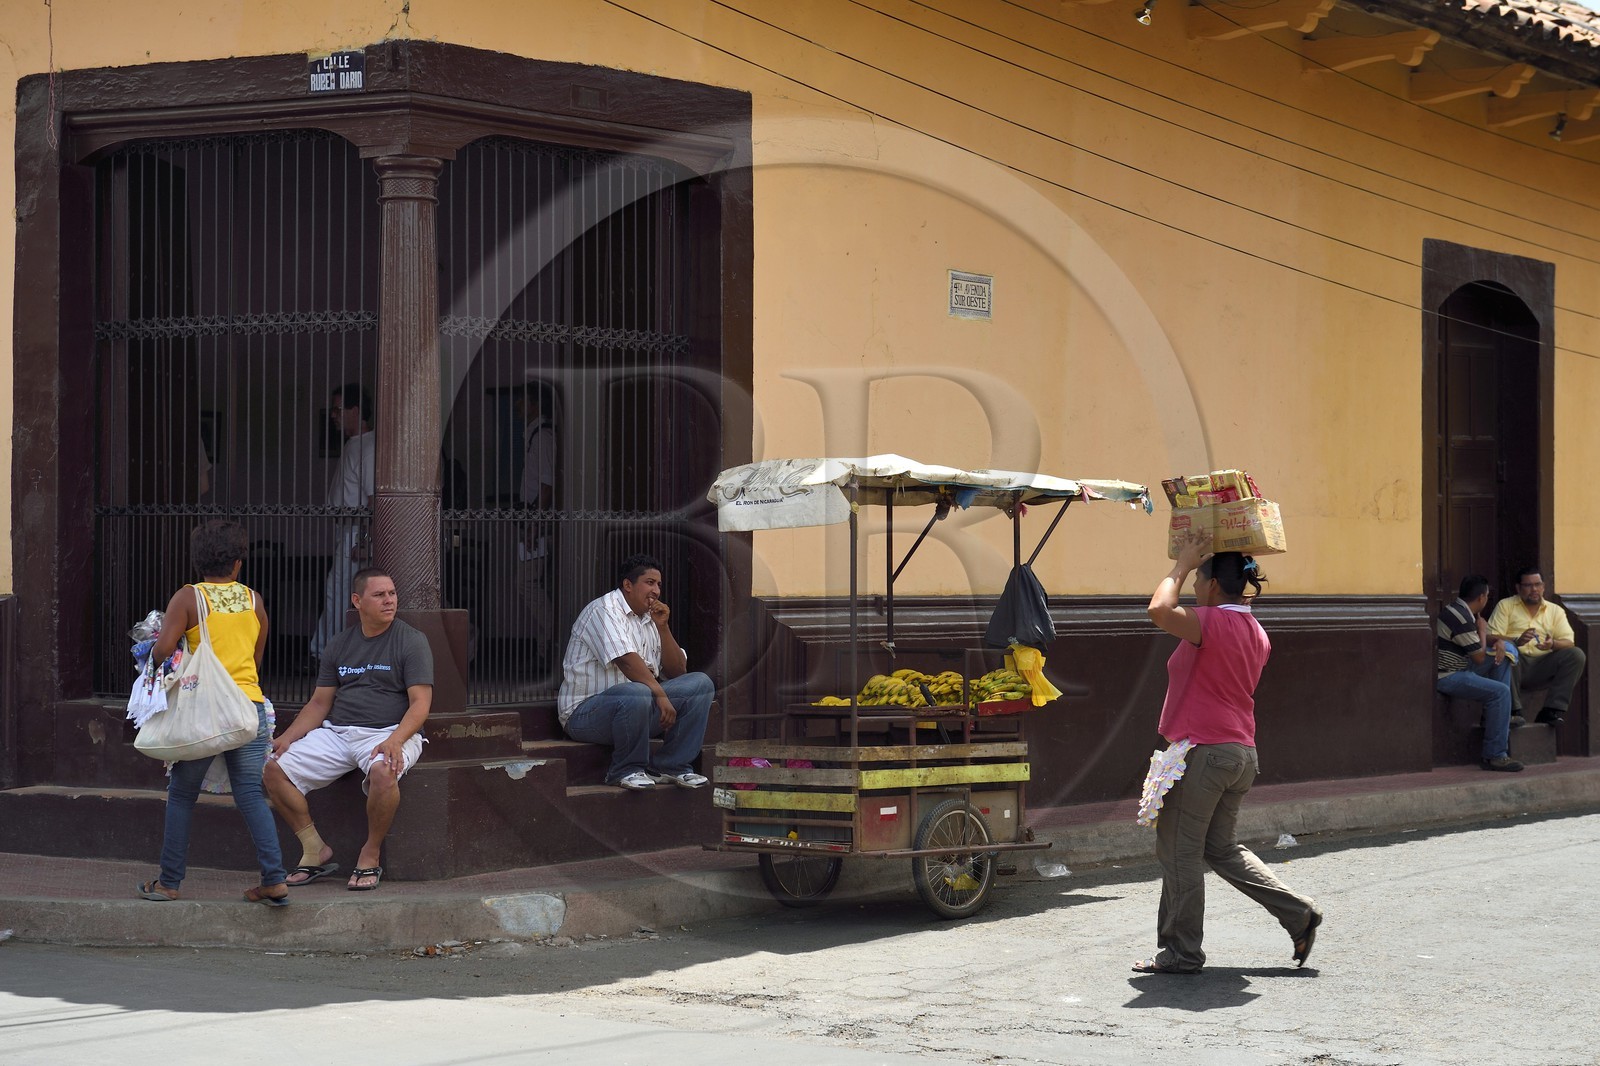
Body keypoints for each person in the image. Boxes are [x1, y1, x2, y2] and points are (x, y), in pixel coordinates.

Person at [1132, 531, 1321, 975]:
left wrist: (1179, 564)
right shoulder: (1254, 630)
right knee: (1220, 848)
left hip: (1206, 753)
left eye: (1198, 579)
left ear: (1214, 584)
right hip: (1239, 753)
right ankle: (1298, 913)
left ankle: (1182, 951)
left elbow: (1159, 608)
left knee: (1180, 851)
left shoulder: (1215, 622)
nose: (1192, 587)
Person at [138, 520, 290, 907]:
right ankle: (274, 879)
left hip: (203, 711)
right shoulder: (254, 600)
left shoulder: (188, 598)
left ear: (196, 560)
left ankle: (169, 882)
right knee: (251, 796)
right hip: (248, 708)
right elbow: (255, 660)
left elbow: (161, 653)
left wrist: (154, 645)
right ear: (238, 563)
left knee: (183, 795)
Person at [266, 567, 433, 891]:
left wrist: (396, 740)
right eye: (379, 595)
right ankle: (314, 849)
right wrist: (287, 738)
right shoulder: (339, 644)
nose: (389, 600)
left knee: (385, 773)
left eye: (392, 593)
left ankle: (370, 854)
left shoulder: (411, 641)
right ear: (357, 601)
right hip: (338, 732)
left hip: (389, 731)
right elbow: (319, 704)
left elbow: (420, 703)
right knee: (273, 769)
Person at [558, 553, 713, 791]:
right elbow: (628, 662)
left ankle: (672, 766)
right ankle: (626, 769)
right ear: (628, 585)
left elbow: (677, 671)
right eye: (649, 582)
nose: (656, 591)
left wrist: (663, 628)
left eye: (659, 584)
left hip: (635, 712)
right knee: (638, 691)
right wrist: (660, 695)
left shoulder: (650, 619)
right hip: (585, 715)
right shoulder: (603, 610)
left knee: (700, 684)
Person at [310, 382, 376, 663]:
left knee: (339, 593)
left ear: (356, 410)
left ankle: (326, 654)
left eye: (338, 409)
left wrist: (366, 540)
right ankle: (328, 651)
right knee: (338, 591)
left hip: (356, 532)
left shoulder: (369, 447)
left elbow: (374, 501)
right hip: (348, 530)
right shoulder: (356, 445)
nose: (333, 415)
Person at [1436, 575, 1523, 771]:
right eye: (1487, 596)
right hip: (1448, 676)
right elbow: (1479, 658)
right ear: (1482, 597)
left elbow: (1476, 646)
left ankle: (1493, 715)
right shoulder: (1460, 618)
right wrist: (1483, 631)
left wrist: (1499, 642)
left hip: (1461, 666)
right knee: (1501, 692)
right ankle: (1495, 755)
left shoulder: (1460, 611)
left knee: (1505, 654)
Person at [1487, 567, 1587, 726]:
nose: (1534, 589)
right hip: (1514, 665)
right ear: (1518, 588)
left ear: (1543, 587)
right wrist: (1515, 640)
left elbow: (1569, 642)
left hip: (1542, 665)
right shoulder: (1505, 605)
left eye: (1537, 584)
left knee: (1576, 655)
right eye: (1528, 585)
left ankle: (1551, 710)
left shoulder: (1555, 610)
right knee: (1507, 650)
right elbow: (1489, 636)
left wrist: (1552, 644)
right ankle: (1514, 711)